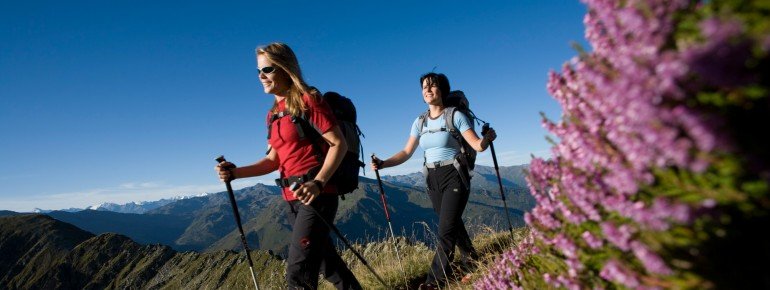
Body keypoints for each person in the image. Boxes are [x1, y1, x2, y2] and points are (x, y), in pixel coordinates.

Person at [215, 42, 362, 290]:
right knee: (328, 265)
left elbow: (339, 144)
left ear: (285, 68)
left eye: (268, 69)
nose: (261, 76)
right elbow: (272, 161)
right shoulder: (273, 114)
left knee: (298, 273)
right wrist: (235, 172)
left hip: (317, 196)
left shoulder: (309, 100)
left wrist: (318, 182)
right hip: (291, 199)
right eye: (258, 71)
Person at [372, 72, 496, 289]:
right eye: (424, 87)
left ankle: (433, 282)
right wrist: (383, 164)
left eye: (433, 86)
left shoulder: (455, 116)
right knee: (452, 224)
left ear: (442, 90)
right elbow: (406, 152)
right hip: (432, 179)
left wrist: (487, 139)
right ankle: (471, 259)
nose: (427, 90)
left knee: (445, 231)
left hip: (455, 175)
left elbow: (476, 145)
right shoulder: (419, 122)